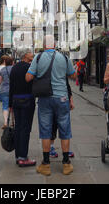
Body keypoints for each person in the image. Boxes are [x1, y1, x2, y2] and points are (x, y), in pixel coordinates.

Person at [26, 35, 76, 176]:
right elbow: (73, 75)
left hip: (45, 98)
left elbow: (28, 77)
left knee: (46, 130)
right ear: (54, 44)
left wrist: (38, 76)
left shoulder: (38, 57)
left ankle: (46, 165)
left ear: (43, 45)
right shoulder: (64, 58)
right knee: (65, 129)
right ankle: (66, 164)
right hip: (62, 97)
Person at [9, 49, 36, 167]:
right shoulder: (29, 68)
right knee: (25, 129)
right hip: (27, 100)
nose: (32, 54)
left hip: (16, 100)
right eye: (30, 52)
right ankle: (23, 157)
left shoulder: (14, 68)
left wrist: (10, 104)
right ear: (25, 55)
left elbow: (11, 87)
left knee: (18, 128)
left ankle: (18, 155)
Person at [50, 75, 75, 159]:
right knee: (52, 124)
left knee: (64, 126)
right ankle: (51, 147)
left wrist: (71, 100)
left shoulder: (62, 67)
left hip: (62, 99)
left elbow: (67, 86)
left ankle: (65, 150)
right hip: (50, 99)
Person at [0, 56, 14, 128]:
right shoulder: (14, 69)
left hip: (4, 90)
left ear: (5, 62)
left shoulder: (2, 70)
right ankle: (12, 122)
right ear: (12, 62)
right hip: (13, 91)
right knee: (12, 106)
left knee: (5, 106)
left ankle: (5, 122)